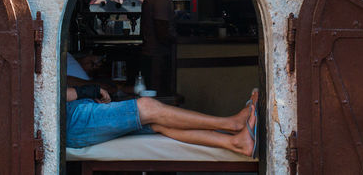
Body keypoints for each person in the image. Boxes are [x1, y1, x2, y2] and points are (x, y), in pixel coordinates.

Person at [66, 53, 259, 158]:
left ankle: (236, 143)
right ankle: (232, 124)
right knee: (148, 106)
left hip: (77, 114)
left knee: (157, 123)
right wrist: (87, 90)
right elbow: (53, 94)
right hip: (70, 120)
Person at [140, 0, 195, 96]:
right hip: (156, 58)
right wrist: (179, 44)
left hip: (155, 55)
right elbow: (162, 33)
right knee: (157, 95)